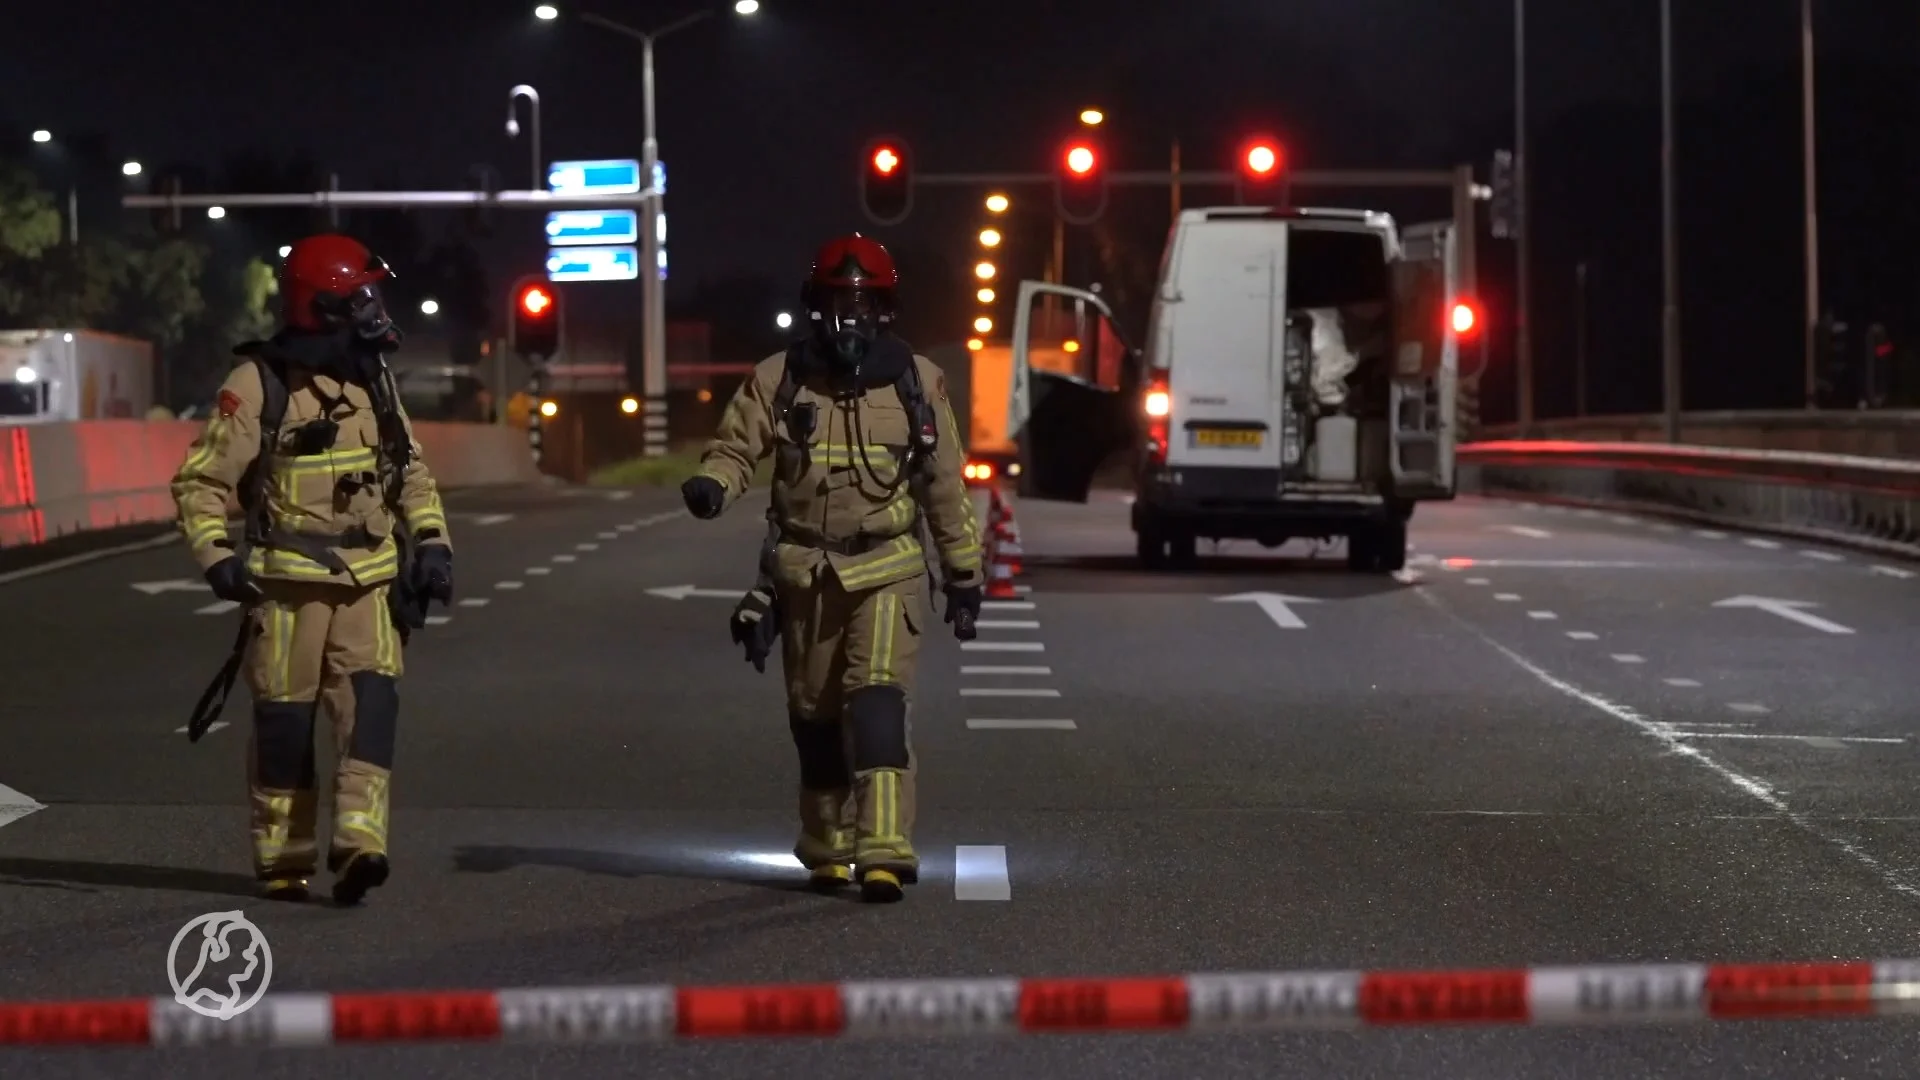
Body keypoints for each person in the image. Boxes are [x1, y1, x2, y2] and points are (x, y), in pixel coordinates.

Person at [681, 234, 984, 903]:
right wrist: (712, 484)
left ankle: (884, 848)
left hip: (889, 567)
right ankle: (827, 845)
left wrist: (964, 575)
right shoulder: (777, 379)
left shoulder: (917, 381)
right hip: (805, 577)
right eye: (838, 300)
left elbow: (943, 487)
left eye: (865, 302)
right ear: (814, 305)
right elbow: (736, 447)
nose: (851, 316)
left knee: (876, 698)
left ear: (886, 308)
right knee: (813, 717)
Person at [170, 233, 454, 906]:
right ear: (324, 306)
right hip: (287, 590)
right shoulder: (258, 386)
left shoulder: (375, 381)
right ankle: (283, 860)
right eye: (360, 296)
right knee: (284, 725)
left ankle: (361, 845)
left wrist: (435, 544)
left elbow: (409, 472)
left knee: (371, 711)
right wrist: (215, 558)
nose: (373, 309)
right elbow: (200, 483)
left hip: (370, 584)